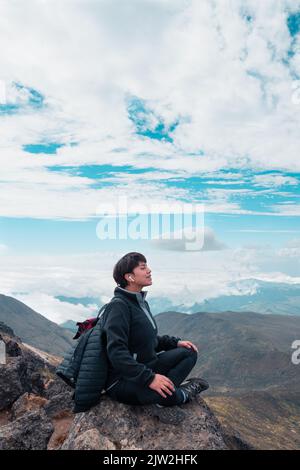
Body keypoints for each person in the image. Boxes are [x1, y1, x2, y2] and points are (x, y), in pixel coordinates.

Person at [103, 252, 209, 424]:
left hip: (146, 367)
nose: (149, 271)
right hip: (122, 381)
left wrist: (175, 342)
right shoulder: (118, 307)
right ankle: (181, 395)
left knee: (188, 352)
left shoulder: (141, 302)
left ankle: (165, 393)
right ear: (129, 277)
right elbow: (116, 353)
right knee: (158, 394)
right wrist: (150, 379)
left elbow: (148, 340)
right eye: (143, 268)